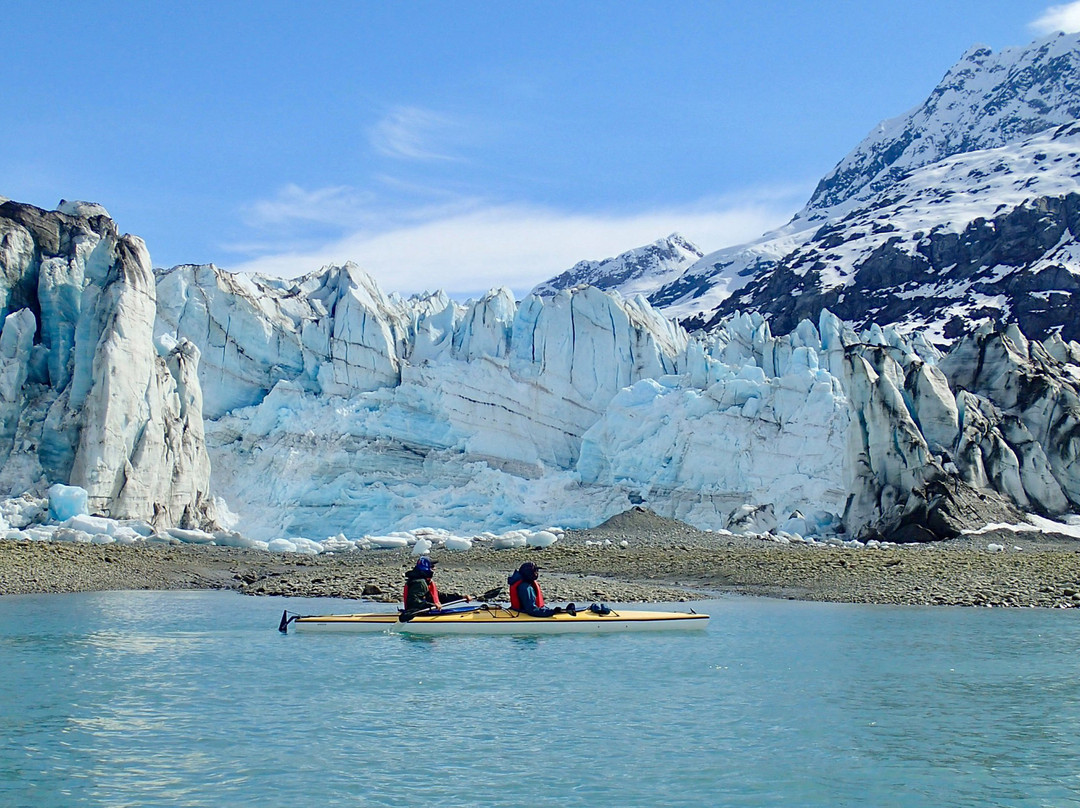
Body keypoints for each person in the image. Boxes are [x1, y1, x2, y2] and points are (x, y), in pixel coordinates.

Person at [507, 562, 575, 617]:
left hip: (520, 611)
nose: (537, 573)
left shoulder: (525, 584)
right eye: (535, 571)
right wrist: (551, 612)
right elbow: (531, 610)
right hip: (525, 614)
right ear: (529, 573)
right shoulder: (525, 588)